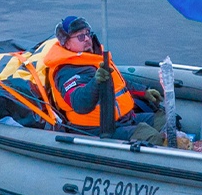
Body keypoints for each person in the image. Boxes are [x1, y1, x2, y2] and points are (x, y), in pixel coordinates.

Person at [36, 16, 166, 141]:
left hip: (124, 118)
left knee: (165, 119)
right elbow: (79, 102)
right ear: (67, 44)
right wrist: (95, 83)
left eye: (87, 33)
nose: (87, 39)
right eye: (80, 36)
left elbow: (118, 83)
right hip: (99, 128)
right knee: (151, 136)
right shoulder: (66, 71)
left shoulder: (94, 57)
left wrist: (144, 92)